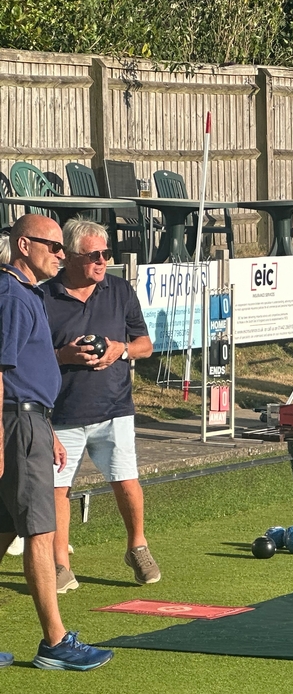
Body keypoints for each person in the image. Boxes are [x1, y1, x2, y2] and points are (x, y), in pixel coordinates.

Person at [0, 214, 113, 671]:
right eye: (54, 246)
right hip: (16, 423)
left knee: (7, 529)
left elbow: (25, 372)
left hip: (29, 421)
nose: (62, 255)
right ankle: (55, 642)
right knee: (40, 533)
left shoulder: (24, 293)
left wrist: (44, 428)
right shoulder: (12, 294)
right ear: (24, 245)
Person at [43, 218, 159, 593]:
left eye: (106, 254)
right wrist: (63, 355)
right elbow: (30, 357)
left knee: (127, 481)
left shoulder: (119, 289)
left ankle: (137, 546)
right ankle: (60, 565)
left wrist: (120, 350)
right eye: (94, 254)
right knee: (58, 490)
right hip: (61, 413)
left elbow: (144, 345)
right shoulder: (43, 296)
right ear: (70, 256)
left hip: (114, 408)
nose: (102, 261)